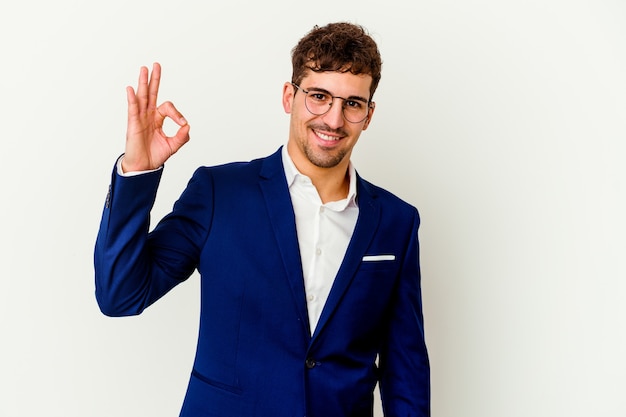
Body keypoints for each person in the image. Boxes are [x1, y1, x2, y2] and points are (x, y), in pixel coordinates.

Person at [95, 22, 430, 417]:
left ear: (368, 114)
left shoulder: (397, 221)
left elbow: (405, 368)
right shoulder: (220, 192)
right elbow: (120, 295)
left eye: (352, 104)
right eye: (319, 96)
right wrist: (136, 172)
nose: (334, 120)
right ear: (289, 96)